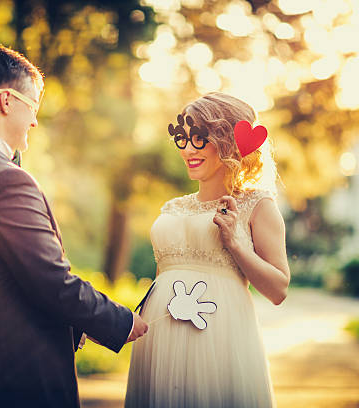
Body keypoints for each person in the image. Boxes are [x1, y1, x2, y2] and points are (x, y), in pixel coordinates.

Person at [0, 41, 148, 408]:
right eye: (33, 106)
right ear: (6, 100)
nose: (35, 120)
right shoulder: (4, 180)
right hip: (20, 379)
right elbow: (51, 280)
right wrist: (119, 322)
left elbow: (3, 278)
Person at [124, 92, 290, 407]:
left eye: (200, 139)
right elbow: (163, 276)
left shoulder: (257, 205)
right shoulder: (173, 206)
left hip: (219, 337)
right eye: (184, 139)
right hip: (159, 339)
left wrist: (237, 245)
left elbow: (279, 289)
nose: (187, 149)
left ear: (227, 142)